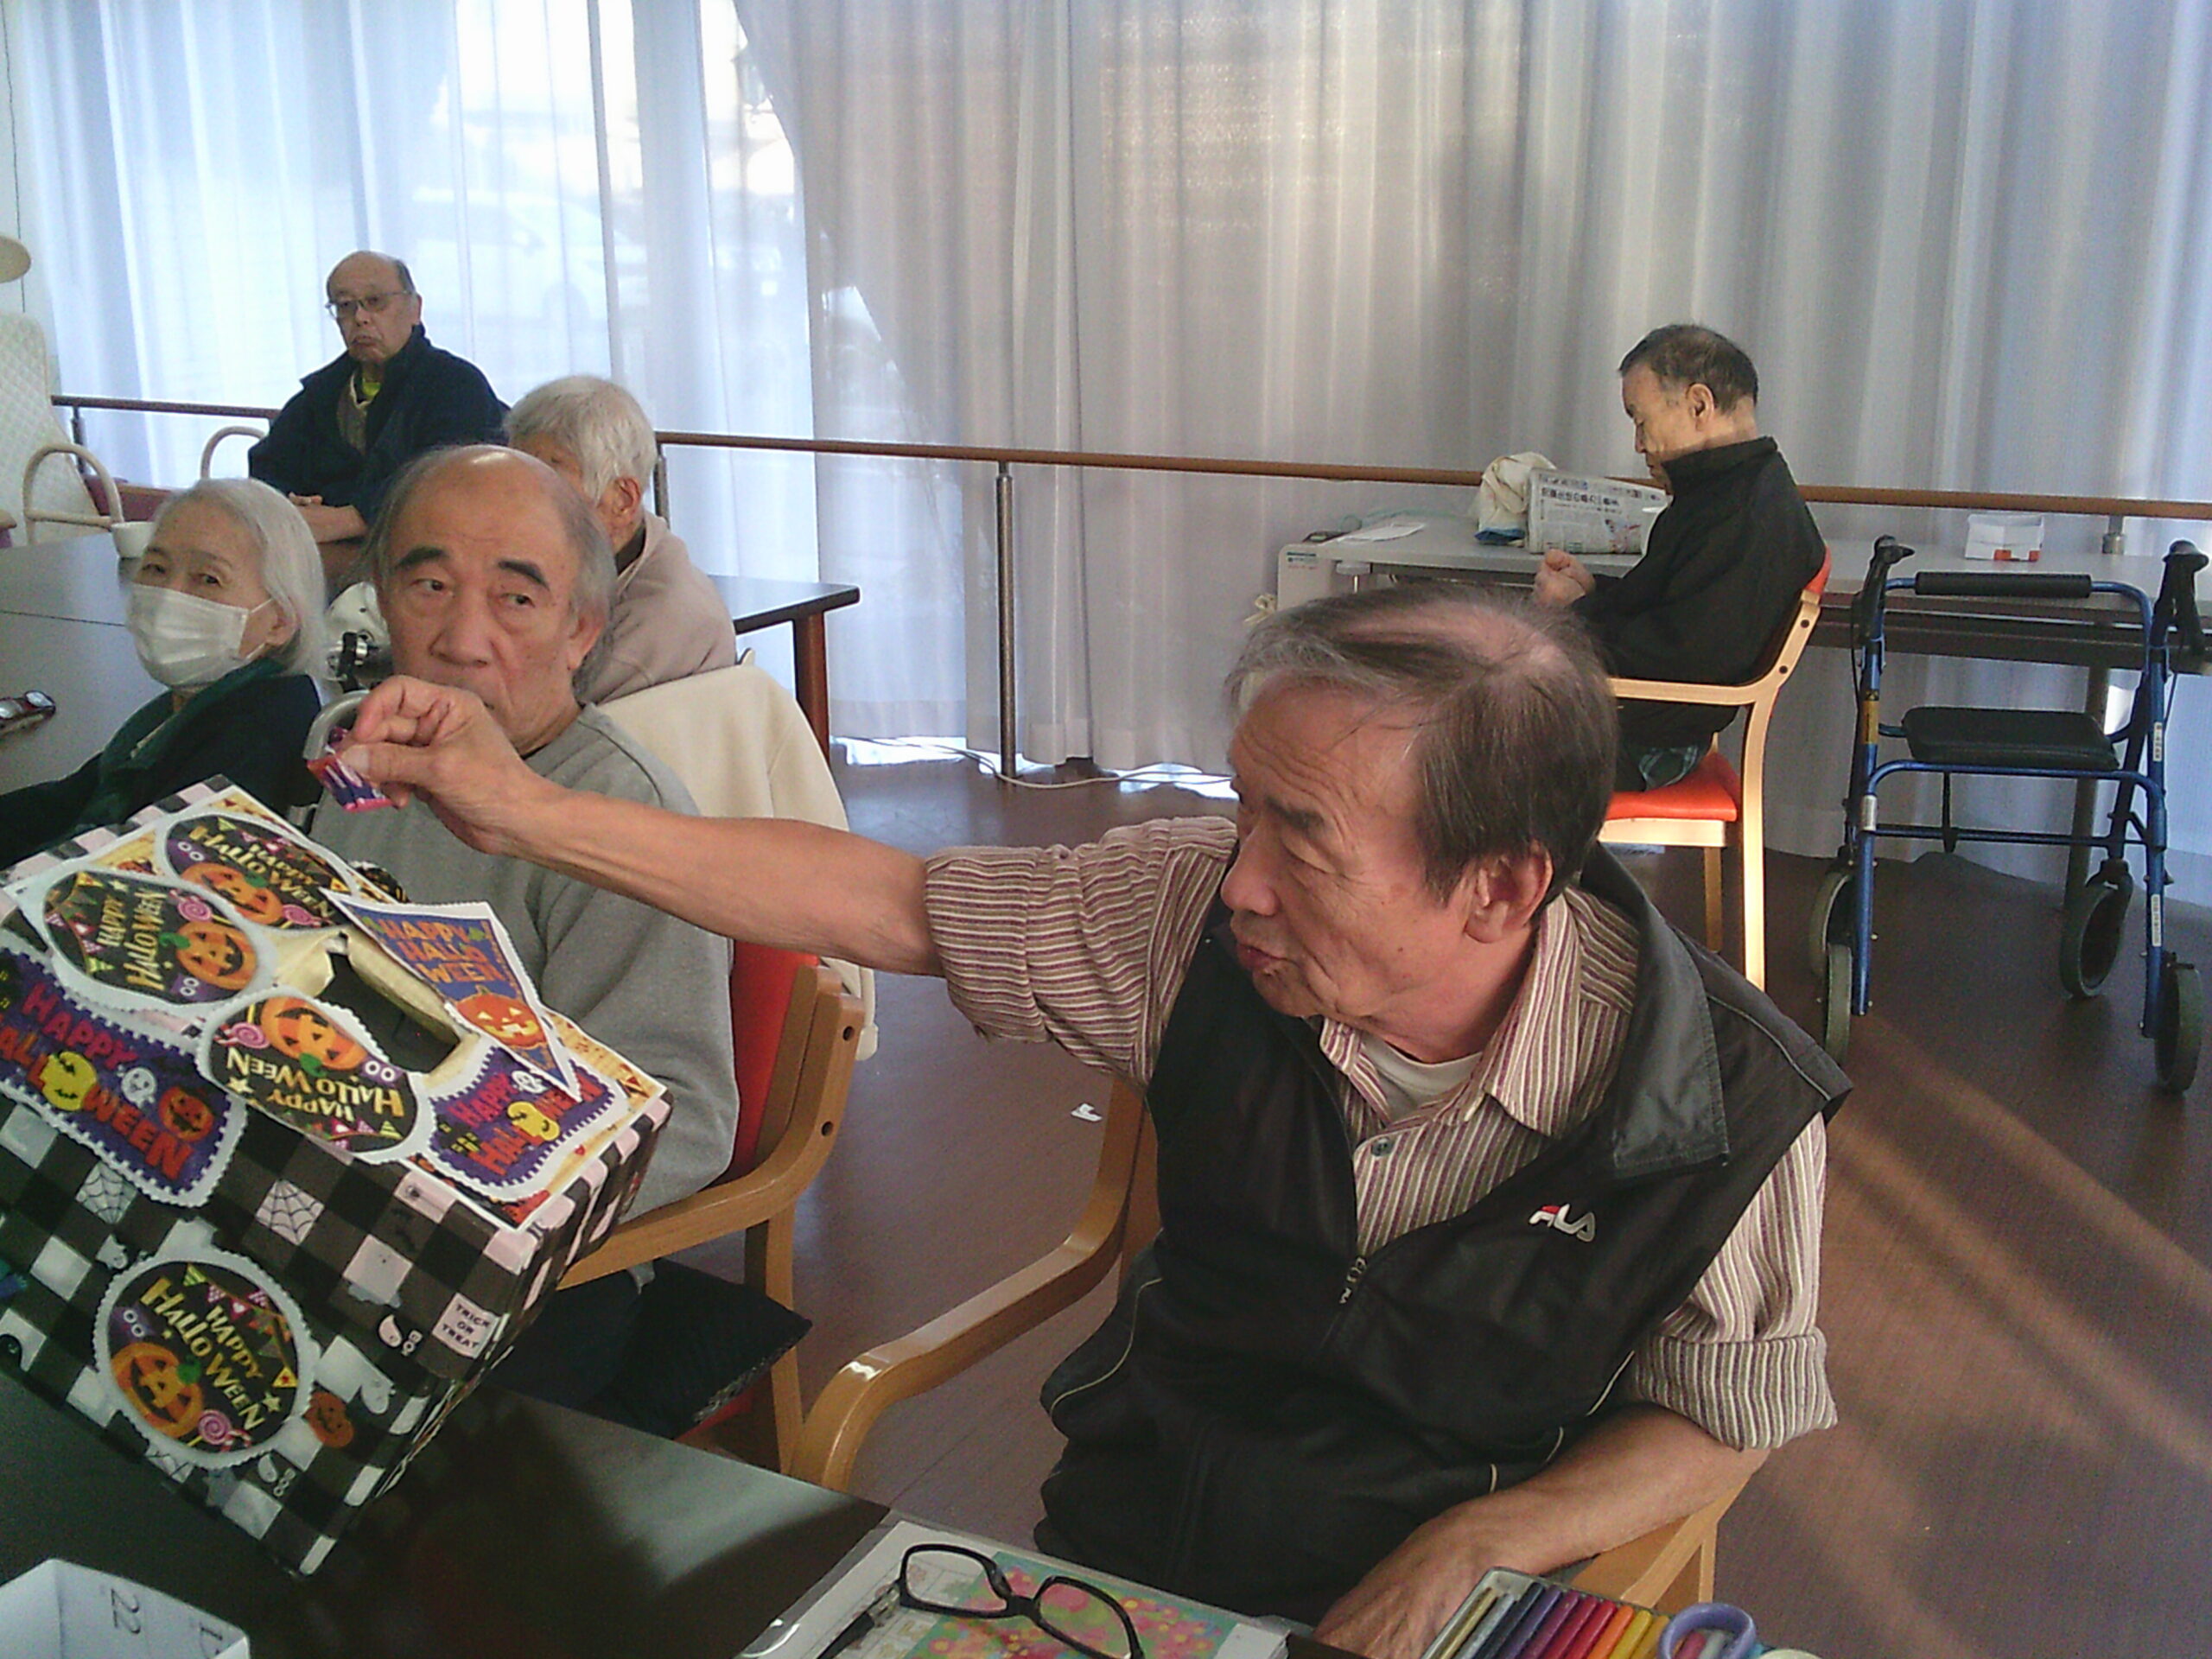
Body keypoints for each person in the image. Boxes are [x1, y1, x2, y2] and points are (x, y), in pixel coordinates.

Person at [334, 580, 1847, 1659]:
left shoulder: (1727, 1102)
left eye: (1303, 842)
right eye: (1243, 809)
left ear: (1502, 886)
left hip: (1441, 1599)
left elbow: (1724, 1411)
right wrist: (523, 810)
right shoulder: (1189, 914)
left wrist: (1475, 1548)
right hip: (1142, 1550)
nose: (1239, 882)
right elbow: (881, 900)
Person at [309, 444, 739, 1409]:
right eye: (429, 586)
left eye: (515, 599)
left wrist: (453, 1208)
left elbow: (688, 1121)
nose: (463, 639)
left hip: (514, 1268)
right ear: (381, 599)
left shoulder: (618, 820)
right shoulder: (361, 754)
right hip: (331, 1181)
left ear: (581, 629)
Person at [1533, 324, 1825, 792]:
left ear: (1699, 405)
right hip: (1648, 715)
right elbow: (1670, 610)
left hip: (1646, 738)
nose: (1638, 443)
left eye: (1640, 420)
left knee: (1456, 742)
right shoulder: (1732, 492)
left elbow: (1676, 656)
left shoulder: (1743, 515)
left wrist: (1573, 615)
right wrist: (1592, 592)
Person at [1, 479, 324, 868]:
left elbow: (128, 867)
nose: (170, 594)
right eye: (156, 567)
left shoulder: (258, 734)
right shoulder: (201, 702)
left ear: (279, 621)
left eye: (208, 579)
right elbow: (71, 799)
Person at [248, 251, 506, 578]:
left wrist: (355, 517)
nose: (360, 318)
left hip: (424, 562)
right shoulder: (322, 392)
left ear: (415, 309)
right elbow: (268, 465)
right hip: (321, 554)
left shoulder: (455, 384)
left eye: (375, 302)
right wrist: (289, 506)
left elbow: (453, 483)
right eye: (345, 306)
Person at [503, 374, 736, 704]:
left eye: (550, 487)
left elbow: (533, 721)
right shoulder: (609, 555)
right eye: (515, 483)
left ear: (622, 501)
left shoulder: (657, 624)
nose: (518, 507)